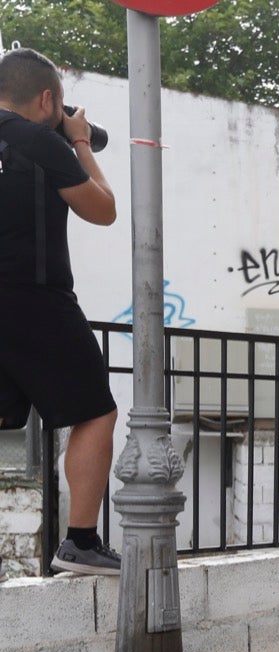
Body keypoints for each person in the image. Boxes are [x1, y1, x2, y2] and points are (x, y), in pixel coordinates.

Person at [0, 49, 120, 575]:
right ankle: (80, 542)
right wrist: (77, 140)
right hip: (34, 296)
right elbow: (103, 209)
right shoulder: (39, 139)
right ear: (47, 98)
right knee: (95, 412)